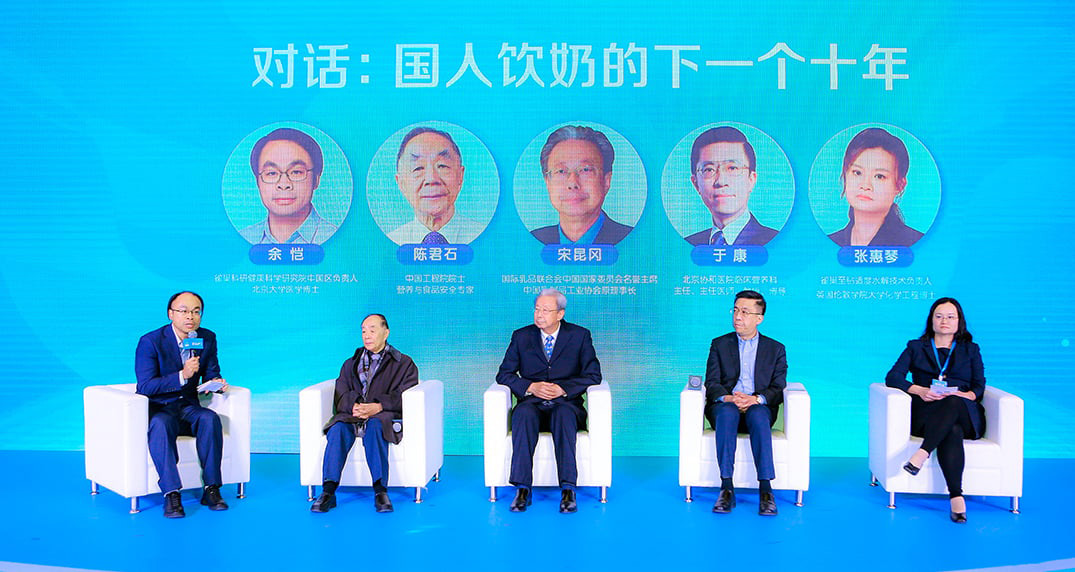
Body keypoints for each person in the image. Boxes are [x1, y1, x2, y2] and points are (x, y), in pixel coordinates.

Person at [496, 288, 602, 513]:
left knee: (563, 416)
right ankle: (522, 489)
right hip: (532, 403)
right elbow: (504, 374)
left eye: (546, 310)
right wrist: (530, 386)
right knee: (522, 415)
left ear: (560, 314)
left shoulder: (579, 336)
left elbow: (593, 375)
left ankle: (568, 490)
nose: (539, 315)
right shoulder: (521, 336)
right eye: (537, 309)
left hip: (566, 404)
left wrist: (563, 389)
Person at [885, 297, 986, 523]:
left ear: (959, 321)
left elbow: (979, 386)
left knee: (953, 401)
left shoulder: (970, 349)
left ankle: (921, 453)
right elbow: (892, 377)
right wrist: (919, 390)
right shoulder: (916, 347)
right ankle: (956, 497)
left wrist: (966, 395)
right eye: (939, 316)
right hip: (927, 414)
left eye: (950, 317)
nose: (944, 321)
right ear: (931, 320)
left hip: (965, 412)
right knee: (952, 430)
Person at [310, 314, 419, 513]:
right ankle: (328, 492)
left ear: (386, 333)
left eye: (372, 330)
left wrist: (379, 406)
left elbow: (405, 395)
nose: (367, 335)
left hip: (382, 416)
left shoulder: (404, 363)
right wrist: (354, 406)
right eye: (363, 331)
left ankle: (380, 491)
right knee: (337, 428)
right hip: (353, 415)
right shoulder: (351, 363)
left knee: (376, 426)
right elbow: (341, 392)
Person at [134, 291, 230, 518]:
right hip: (161, 408)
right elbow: (145, 386)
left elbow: (211, 372)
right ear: (171, 314)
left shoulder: (206, 338)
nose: (190, 317)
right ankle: (172, 494)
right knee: (160, 425)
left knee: (209, 419)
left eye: (196, 312)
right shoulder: (150, 342)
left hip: (188, 406)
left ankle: (212, 489)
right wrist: (182, 375)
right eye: (184, 311)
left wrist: (216, 383)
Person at [703, 290, 786, 516]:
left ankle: (766, 490)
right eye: (736, 310)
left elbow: (778, 388)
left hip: (758, 407)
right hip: (725, 407)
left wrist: (755, 399)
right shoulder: (719, 344)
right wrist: (730, 398)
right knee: (727, 412)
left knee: (758, 414)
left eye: (745, 312)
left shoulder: (775, 349)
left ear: (759, 318)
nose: (738, 316)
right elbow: (712, 382)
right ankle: (726, 488)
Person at [531, 126, 633, 245]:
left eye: (585, 170)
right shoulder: (531, 242)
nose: (573, 183)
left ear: (606, 181)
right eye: (561, 171)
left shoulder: (634, 240)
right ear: (547, 182)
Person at [827, 127, 924, 247]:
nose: (865, 185)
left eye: (879, 176)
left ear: (899, 185)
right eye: (857, 172)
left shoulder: (917, 243)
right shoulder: (830, 242)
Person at [240, 128, 339, 244]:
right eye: (271, 173)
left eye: (296, 172)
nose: (284, 185)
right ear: (258, 182)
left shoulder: (337, 238)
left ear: (316, 180)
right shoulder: (243, 238)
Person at [388, 127, 483, 245]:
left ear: (460, 176)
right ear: (401, 183)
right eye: (418, 168)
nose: (431, 179)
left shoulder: (485, 236)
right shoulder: (389, 242)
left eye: (442, 166)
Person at [685, 127, 779, 246]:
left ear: (751, 179)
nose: (721, 181)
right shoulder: (688, 244)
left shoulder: (775, 241)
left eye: (732, 168)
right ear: (696, 183)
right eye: (709, 170)